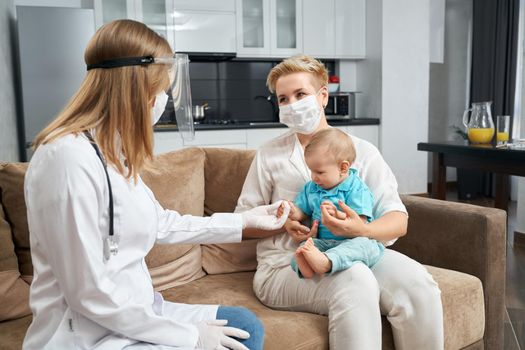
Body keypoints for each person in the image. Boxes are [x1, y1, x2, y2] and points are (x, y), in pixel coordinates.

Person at [22, 19, 290, 350]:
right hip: (87, 333)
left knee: (244, 326)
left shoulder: (113, 153)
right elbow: (88, 293)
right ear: (136, 87)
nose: (162, 99)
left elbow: (160, 223)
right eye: (160, 87)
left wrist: (244, 222)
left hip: (132, 312)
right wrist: (191, 337)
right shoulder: (66, 159)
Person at [235, 55, 444, 349]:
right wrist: (284, 224)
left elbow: (398, 219)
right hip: (284, 267)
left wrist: (360, 229)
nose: (292, 104)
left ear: (322, 96)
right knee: (355, 280)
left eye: (300, 94)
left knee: (419, 286)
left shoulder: (363, 152)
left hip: (358, 251)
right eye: (283, 99)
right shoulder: (269, 155)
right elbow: (242, 223)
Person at [277, 128, 384, 279]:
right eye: (311, 171)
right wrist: (291, 211)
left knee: (366, 246)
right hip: (323, 242)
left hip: (351, 240)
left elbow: (360, 222)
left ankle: (327, 262)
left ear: (343, 167)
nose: (314, 177)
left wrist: (338, 215)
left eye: (319, 172)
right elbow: (302, 212)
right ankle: (304, 268)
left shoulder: (357, 188)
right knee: (304, 248)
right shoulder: (311, 188)